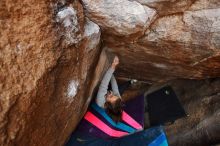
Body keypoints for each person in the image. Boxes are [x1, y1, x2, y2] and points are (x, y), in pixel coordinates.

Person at [96, 56, 123, 123]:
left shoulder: (100, 102)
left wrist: (113, 66)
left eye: (111, 96)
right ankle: (130, 83)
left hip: (102, 92)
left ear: (107, 104)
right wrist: (111, 73)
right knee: (121, 88)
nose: (112, 94)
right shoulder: (118, 99)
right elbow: (114, 86)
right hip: (107, 91)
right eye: (115, 96)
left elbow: (103, 85)